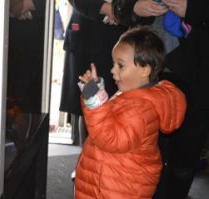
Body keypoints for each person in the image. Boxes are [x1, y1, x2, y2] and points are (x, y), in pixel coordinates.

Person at [74, 26, 186, 199]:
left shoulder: (140, 109)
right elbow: (111, 119)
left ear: (144, 70)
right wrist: (97, 91)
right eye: (113, 64)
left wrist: (94, 99)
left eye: (120, 65)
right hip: (109, 183)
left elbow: (109, 137)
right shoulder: (133, 97)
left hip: (118, 189)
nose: (113, 70)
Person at [59, 0, 167, 145]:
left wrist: (126, 11)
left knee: (131, 112)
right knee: (90, 106)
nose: (113, 71)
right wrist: (107, 9)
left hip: (129, 38)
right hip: (89, 32)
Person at [149, 0, 209, 198]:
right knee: (150, 154)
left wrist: (193, 9)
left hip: (195, 69)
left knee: (184, 155)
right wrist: (132, 7)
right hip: (151, 63)